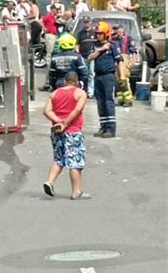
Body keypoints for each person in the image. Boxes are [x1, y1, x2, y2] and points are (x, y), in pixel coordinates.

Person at [43, 71, 90, 200]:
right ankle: (77, 191)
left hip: (56, 131)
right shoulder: (80, 93)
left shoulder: (55, 93)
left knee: (58, 159)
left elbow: (46, 111)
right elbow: (77, 109)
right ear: (77, 82)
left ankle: (50, 182)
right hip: (73, 131)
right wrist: (65, 123)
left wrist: (58, 121)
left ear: (65, 81)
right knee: (75, 162)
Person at [88, 21, 124, 138]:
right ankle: (103, 126)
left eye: (100, 33)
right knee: (100, 102)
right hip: (98, 76)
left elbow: (120, 61)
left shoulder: (113, 45)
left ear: (105, 33)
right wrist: (101, 49)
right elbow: (89, 57)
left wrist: (122, 77)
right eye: (97, 33)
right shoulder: (96, 45)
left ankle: (111, 128)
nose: (97, 35)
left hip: (108, 76)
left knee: (109, 102)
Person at [112, 25, 135, 107]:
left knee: (124, 79)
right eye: (114, 29)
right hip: (116, 59)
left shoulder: (128, 38)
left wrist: (132, 61)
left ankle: (128, 100)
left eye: (117, 29)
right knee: (118, 80)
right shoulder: (114, 39)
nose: (116, 31)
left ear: (122, 29)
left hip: (125, 58)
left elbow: (133, 51)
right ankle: (120, 99)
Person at [76, 15, 96, 98]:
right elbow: (77, 45)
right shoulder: (80, 33)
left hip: (92, 57)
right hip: (83, 56)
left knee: (91, 74)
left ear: (90, 22)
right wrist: (78, 53)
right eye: (85, 22)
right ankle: (83, 90)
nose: (86, 24)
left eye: (87, 22)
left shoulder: (94, 33)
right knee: (84, 74)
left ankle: (90, 92)